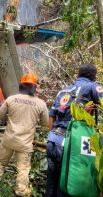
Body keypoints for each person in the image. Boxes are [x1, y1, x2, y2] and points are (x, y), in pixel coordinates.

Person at [0, 72, 49, 197]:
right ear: (34, 87)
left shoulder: (11, 99)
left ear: (21, 85)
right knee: (23, 169)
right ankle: (20, 192)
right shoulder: (41, 104)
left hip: (8, 139)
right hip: (24, 144)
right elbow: (45, 124)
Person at [46, 64, 103, 197]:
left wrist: (53, 134)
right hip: (70, 143)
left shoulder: (63, 91)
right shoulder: (92, 87)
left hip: (52, 140)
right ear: (94, 77)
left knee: (51, 182)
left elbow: (51, 115)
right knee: (65, 186)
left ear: (78, 75)